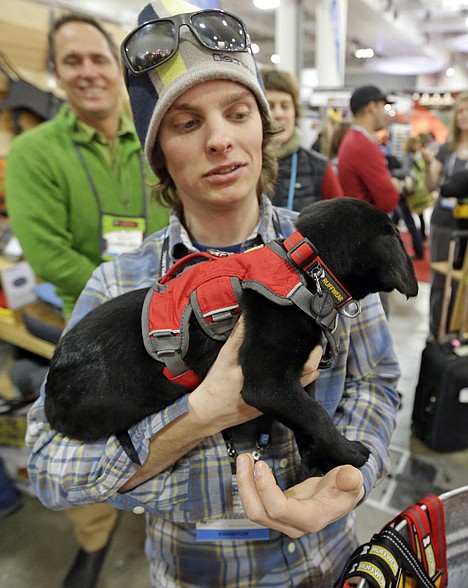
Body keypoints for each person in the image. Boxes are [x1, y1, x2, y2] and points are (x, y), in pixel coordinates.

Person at [26, 2, 401, 586]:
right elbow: (51, 466)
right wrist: (199, 417)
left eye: (237, 111)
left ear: (263, 125)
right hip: (193, 571)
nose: (222, 140)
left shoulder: (333, 251)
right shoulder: (122, 284)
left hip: (323, 561)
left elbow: (376, 383)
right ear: (160, 154)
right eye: (187, 123)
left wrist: (353, 476)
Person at [5, 13, 168, 588]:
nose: (89, 72)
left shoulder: (155, 137)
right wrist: (130, 294)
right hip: (90, 326)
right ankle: (95, 540)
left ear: (119, 67)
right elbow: (49, 258)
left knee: (173, 429)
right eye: (72, 61)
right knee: (92, 434)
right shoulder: (33, 154)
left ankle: (164, 527)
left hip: (169, 320)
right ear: (54, 72)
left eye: (99, 58)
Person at [260, 68, 343, 211]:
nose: (279, 114)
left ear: (295, 111)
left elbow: (342, 222)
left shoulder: (319, 168)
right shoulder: (242, 165)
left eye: (285, 106)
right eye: (270, 106)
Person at [424, 92, 468, 337]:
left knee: (463, 282)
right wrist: (429, 165)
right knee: (440, 280)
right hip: (442, 221)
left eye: (467, 110)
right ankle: (435, 331)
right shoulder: (445, 149)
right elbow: (431, 186)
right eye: (460, 111)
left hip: (466, 225)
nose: (463, 116)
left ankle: (454, 330)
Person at [337, 85, 400, 214]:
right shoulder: (363, 146)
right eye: (383, 107)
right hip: (364, 226)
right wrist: (395, 186)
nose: (385, 113)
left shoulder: (352, 139)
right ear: (372, 108)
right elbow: (388, 201)